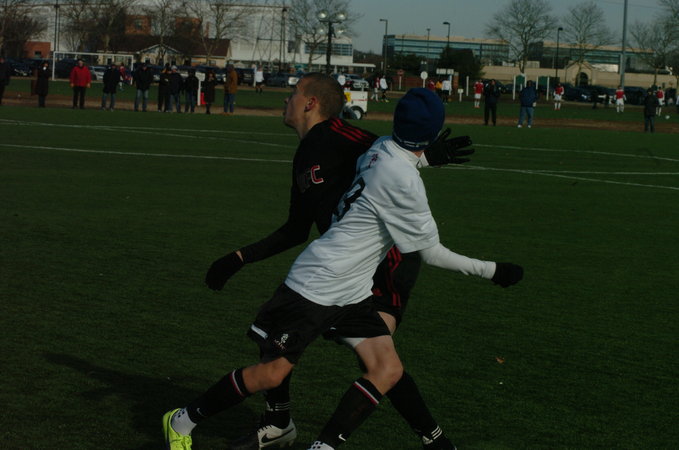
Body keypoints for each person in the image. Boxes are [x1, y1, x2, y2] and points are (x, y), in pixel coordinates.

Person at [163, 78, 517, 450]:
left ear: (310, 103)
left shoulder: (348, 137)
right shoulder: (312, 154)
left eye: (294, 93)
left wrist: (423, 155)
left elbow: (386, 162)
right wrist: (240, 257)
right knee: (274, 371)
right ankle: (202, 420)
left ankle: (410, 442)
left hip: (372, 273)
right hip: (329, 278)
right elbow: (302, 224)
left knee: (384, 367)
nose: (286, 98)